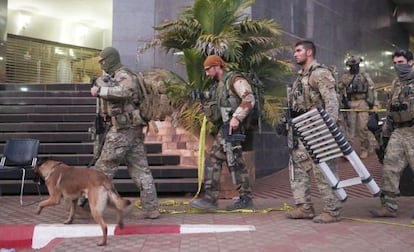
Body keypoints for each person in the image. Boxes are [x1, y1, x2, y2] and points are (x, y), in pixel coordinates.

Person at [87, 46, 159, 219]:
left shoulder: (123, 75)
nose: (101, 64)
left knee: (102, 169)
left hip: (123, 131)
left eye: (103, 60)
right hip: (131, 131)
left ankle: (88, 206)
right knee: (140, 170)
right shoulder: (114, 76)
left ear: (111, 58)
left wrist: (101, 91)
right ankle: (151, 208)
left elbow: (126, 91)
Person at [284, 40, 342, 223]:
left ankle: (332, 210)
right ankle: (304, 207)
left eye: (299, 50)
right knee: (298, 166)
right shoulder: (299, 78)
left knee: (323, 169)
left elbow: (332, 102)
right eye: (295, 51)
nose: (295, 54)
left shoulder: (320, 74)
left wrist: (328, 128)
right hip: (302, 130)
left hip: (319, 130)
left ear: (309, 52)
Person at [189, 55, 255, 211]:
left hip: (232, 127)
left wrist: (236, 118)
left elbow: (249, 98)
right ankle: (244, 197)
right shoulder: (219, 85)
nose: (206, 74)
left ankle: (212, 200)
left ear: (217, 66)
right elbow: (217, 103)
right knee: (235, 161)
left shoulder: (234, 80)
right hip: (225, 127)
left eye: (208, 69)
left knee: (217, 159)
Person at [369, 49, 414, 218]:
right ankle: (389, 206)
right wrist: (384, 134)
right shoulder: (396, 83)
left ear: (411, 62)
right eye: (394, 63)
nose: (397, 66)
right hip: (399, 131)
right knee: (390, 166)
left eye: (400, 63)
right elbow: (390, 110)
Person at [338, 56, 378, 159]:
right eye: (352, 66)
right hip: (350, 103)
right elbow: (339, 88)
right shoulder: (346, 77)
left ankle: (364, 148)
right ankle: (348, 151)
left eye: (355, 65)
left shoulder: (364, 75)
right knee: (349, 129)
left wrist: (375, 104)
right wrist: (342, 100)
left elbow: (372, 89)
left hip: (362, 102)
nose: (354, 68)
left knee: (362, 128)